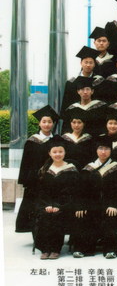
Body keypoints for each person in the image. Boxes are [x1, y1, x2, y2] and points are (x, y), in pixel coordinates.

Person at [73, 136, 117, 259]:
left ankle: (111, 249)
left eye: (106, 149)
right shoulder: (88, 168)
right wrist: (81, 205)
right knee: (82, 214)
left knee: (111, 214)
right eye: (100, 148)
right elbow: (81, 190)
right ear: (96, 150)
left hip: (110, 203)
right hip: (92, 203)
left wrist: (114, 204)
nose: (103, 152)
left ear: (111, 150)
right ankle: (83, 248)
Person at [15, 105, 60, 234]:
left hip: (52, 178)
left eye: (49, 122)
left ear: (53, 124)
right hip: (34, 180)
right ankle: (36, 232)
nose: (47, 124)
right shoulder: (31, 141)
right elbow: (25, 162)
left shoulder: (57, 140)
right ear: (39, 123)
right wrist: (25, 180)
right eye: (44, 121)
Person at [33, 136, 79, 260]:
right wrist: (47, 205)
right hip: (46, 204)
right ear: (49, 153)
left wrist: (58, 205)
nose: (57, 154)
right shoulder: (45, 169)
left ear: (65, 152)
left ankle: (55, 249)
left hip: (65, 205)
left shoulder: (71, 169)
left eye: (60, 151)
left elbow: (71, 192)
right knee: (44, 215)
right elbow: (42, 191)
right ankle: (45, 249)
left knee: (57, 216)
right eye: (54, 152)